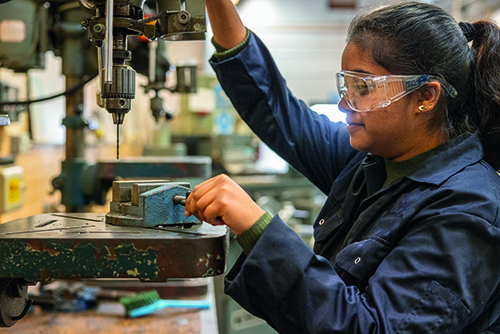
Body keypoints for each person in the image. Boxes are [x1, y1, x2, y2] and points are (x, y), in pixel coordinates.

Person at [185, 1, 500, 333]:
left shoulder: (468, 209)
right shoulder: (370, 161)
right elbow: (274, 110)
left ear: (425, 95)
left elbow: (372, 328)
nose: (343, 104)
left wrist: (259, 229)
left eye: (362, 88)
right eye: (345, 86)